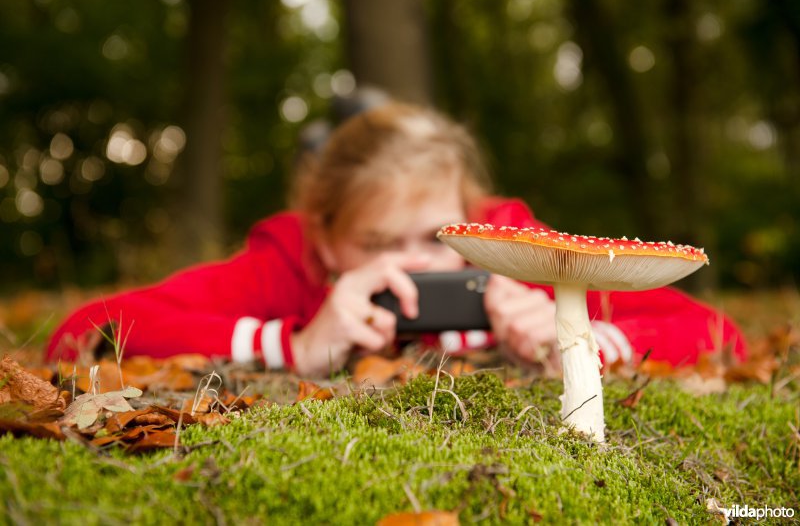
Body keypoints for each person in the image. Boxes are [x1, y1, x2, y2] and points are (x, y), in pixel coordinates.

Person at [46, 101, 748, 376]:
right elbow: (85, 330)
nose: (413, 264)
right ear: (325, 239)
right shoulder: (290, 262)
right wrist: (293, 345)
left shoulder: (515, 251)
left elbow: (719, 334)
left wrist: (576, 339)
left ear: (472, 220)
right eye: (380, 244)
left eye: (437, 237)